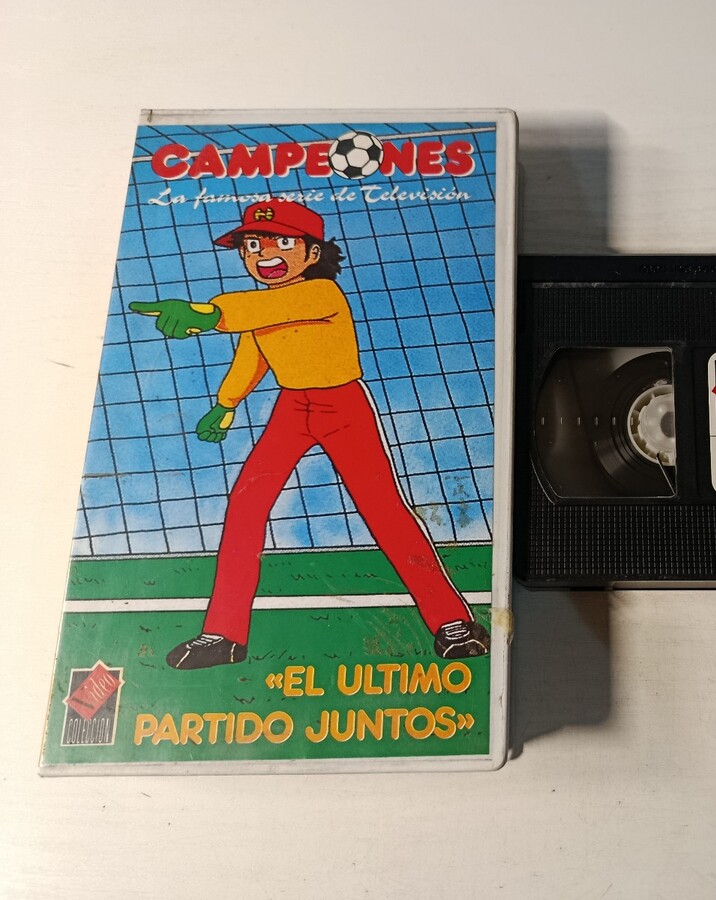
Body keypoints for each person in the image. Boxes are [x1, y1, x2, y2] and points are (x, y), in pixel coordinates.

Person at [130, 199, 490, 669]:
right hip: (292, 409)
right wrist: (226, 403)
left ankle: (452, 622)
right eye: (251, 245)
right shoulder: (260, 307)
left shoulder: (321, 294)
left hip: (342, 407)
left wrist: (205, 313)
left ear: (312, 253)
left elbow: (265, 308)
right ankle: (223, 634)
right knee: (246, 505)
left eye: (281, 242)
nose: (263, 254)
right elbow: (253, 353)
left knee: (384, 511)